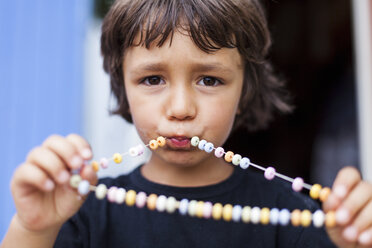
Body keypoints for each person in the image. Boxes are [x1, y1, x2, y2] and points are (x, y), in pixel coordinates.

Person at [2, 0, 372, 247]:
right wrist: (33, 228)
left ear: (245, 90)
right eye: (152, 79)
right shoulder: (84, 213)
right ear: (122, 86)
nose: (180, 109)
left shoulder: (292, 218)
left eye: (209, 80)